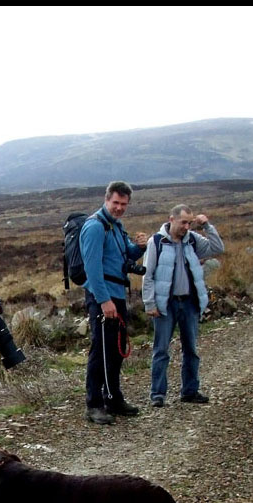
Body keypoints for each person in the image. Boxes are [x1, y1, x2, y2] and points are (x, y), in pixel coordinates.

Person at [141, 204, 224, 406]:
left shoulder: (193, 240)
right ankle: (157, 395)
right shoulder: (157, 242)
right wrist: (150, 303)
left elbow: (218, 248)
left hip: (189, 303)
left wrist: (207, 226)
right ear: (172, 219)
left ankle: (190, 391)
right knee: (161, 350)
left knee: (191, 350)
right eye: (183, 222)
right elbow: (148, 275)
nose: (186, 226)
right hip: (165, 304)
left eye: (190, 222)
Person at [80, 180, 149, 425]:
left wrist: (139, 248)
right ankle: (94, 404)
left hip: (116, 295)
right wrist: (103, 300)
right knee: (100, 351)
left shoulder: (115, 225)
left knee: (116, 351)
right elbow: (92, 268)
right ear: (106, 199)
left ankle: (113, 398)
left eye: (124, 204)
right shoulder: (95, 227)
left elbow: (123, 254)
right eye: (116, 203)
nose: (119, 207)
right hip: (104, 298)